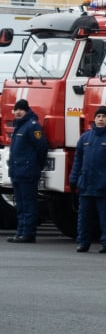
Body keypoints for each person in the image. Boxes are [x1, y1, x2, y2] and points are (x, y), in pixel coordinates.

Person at [69, 106, 106, 253]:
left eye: (104, 117)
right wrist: (73, 178)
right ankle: (83, 243)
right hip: (86, 184)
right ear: (94, 119)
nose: (101, 119)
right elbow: (77, 161)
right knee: (83, 217)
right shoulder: (85, 138)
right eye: (98, 116)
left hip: (105, 185)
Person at [7, 99, 48, 243]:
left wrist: (36, 164)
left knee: (28, 204)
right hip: (17, 172)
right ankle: (20, 232)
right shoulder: (18, 126)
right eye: (16, 109)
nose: (18, 112)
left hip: (28, 171)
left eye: (21, 109)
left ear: (27, 111)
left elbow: (41, 147)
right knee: (20, 204)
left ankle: (29, 233)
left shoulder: (32, 126)